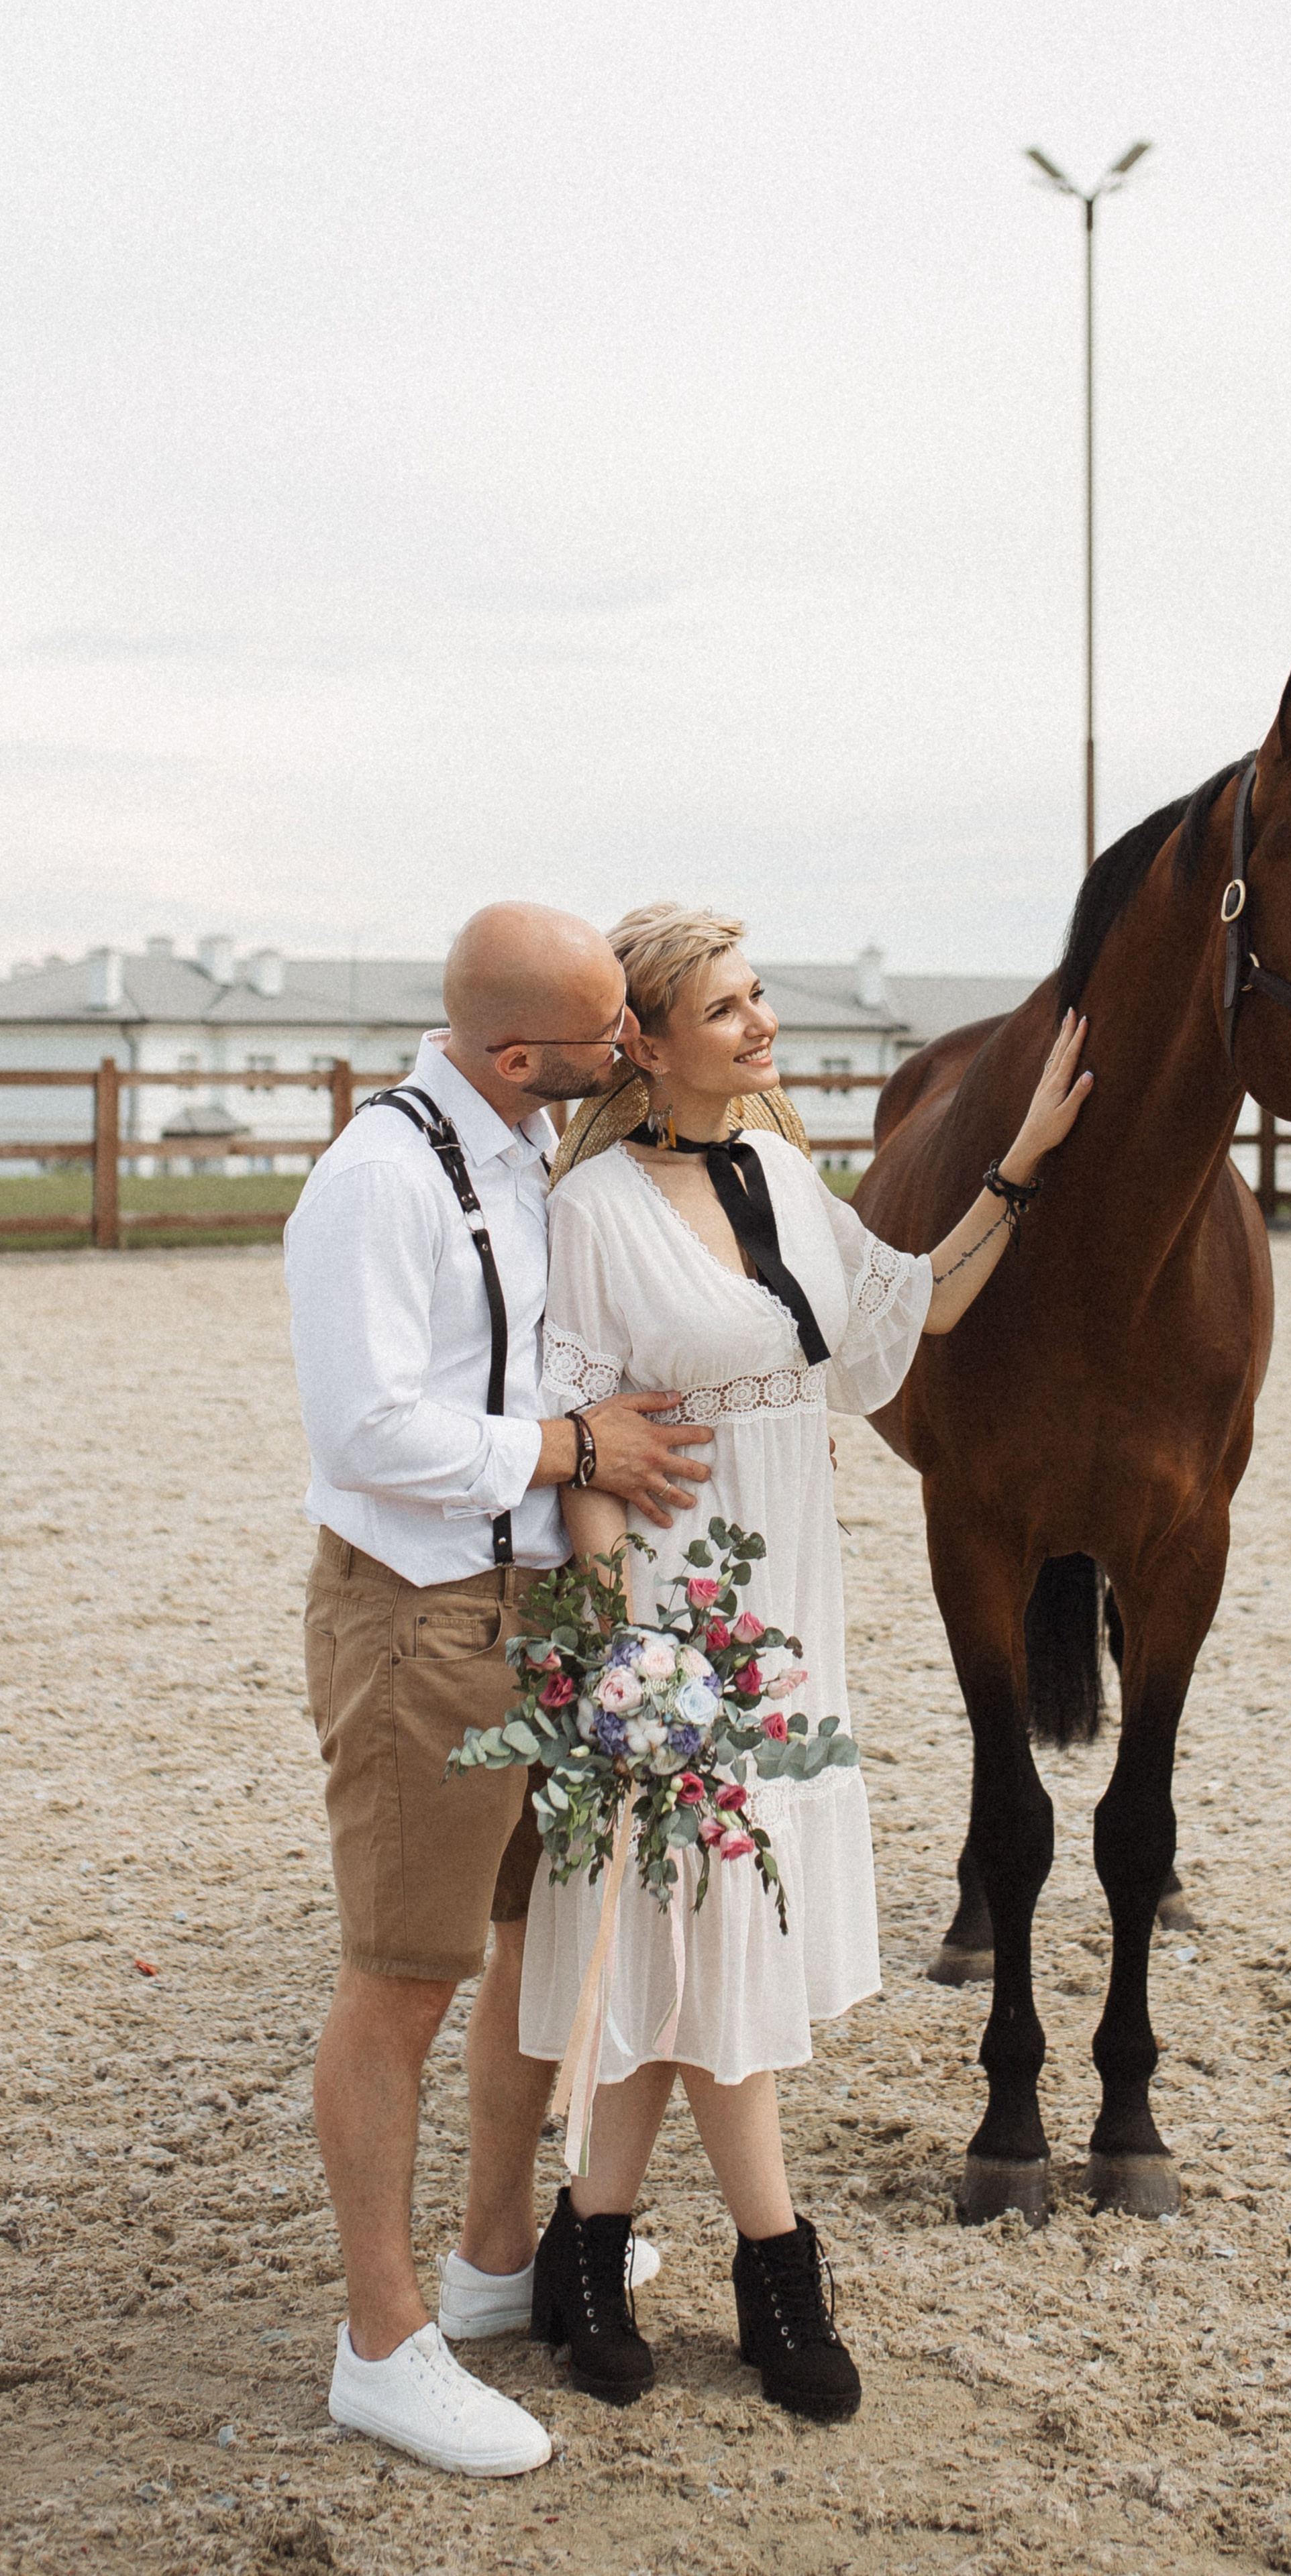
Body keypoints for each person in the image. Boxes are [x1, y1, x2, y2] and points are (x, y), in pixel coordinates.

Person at [517, 901, 1091, 2421]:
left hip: (791, 1596)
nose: (761, 1026)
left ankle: (584, 2247)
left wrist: (1019, 1162)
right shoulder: (592, 1214)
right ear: (642, 1039)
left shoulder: (775, 1166)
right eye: (725, 1009)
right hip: (671, 1601)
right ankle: (778, 2267)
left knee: (685, 1930)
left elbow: (909, 1307)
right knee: (704, 1912)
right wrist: (615, 1657)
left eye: (759, 997)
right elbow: (579, 1438)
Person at [283, 902, 721, 2477]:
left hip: (537, 1609)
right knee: (403, 1980)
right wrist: (567, 1449)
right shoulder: (376, 1181)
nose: (627, 1052)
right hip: (418, 1621)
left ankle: (485, 2266)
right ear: (513, 1051)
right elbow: (367, 1432)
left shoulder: (525, 1154)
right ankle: (381, 2347)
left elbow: (527, 1354)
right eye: (605, 1033)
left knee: (538, 1947)